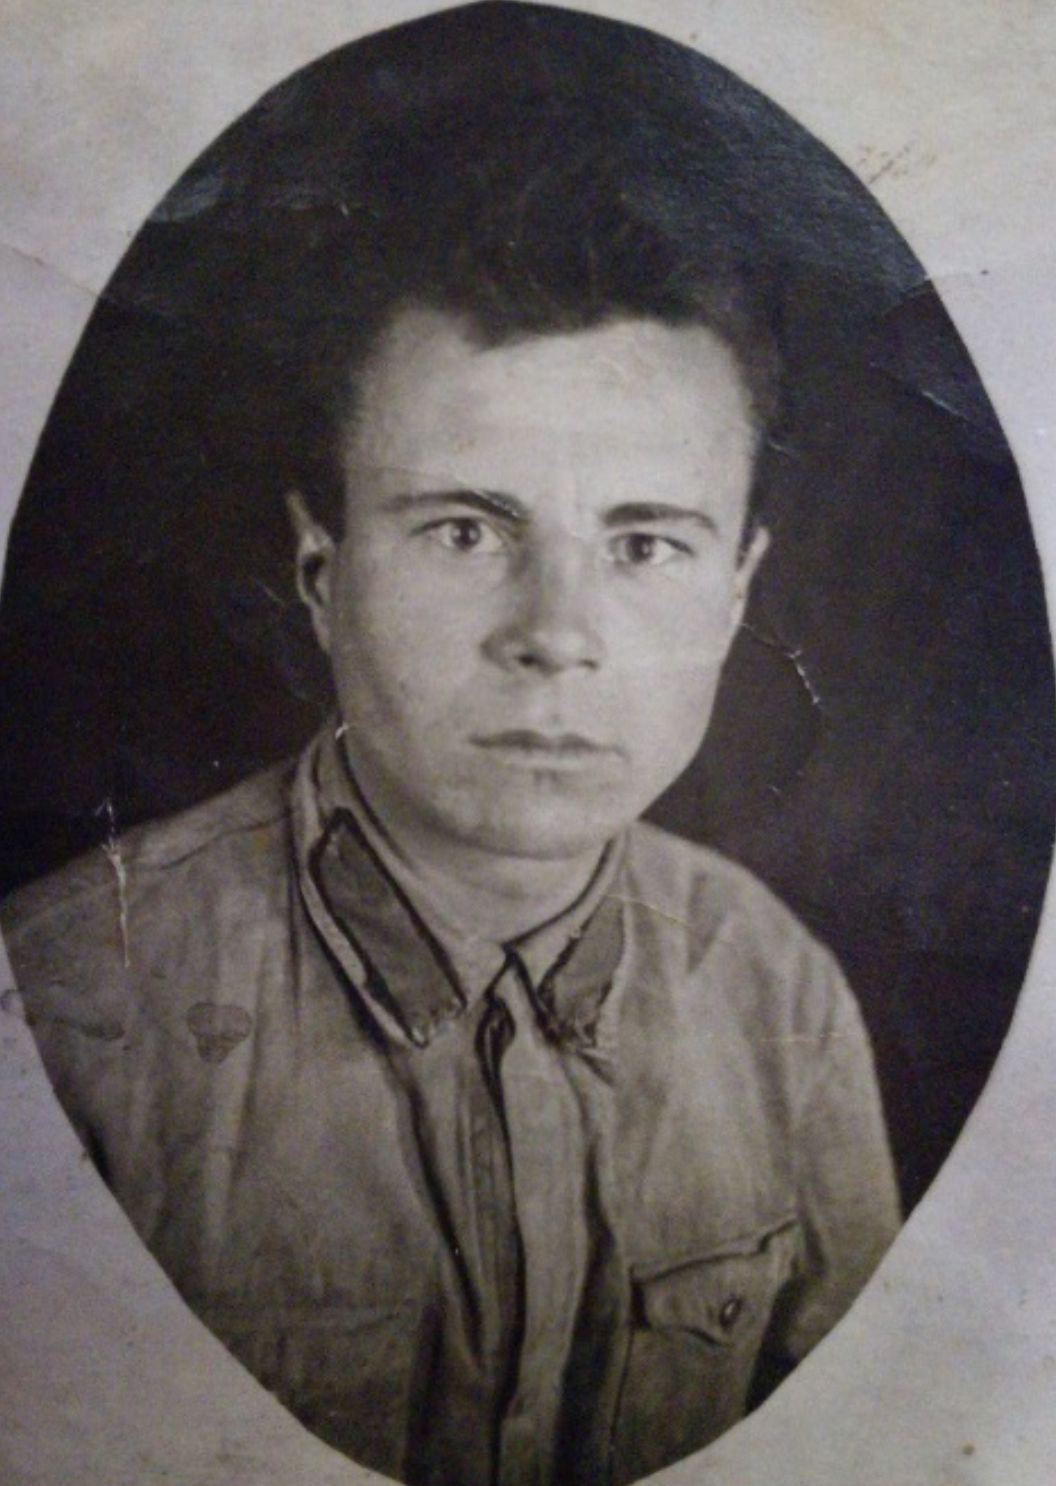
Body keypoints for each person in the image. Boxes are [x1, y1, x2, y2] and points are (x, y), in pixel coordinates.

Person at [0, 8, 900, 1484]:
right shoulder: (62, 1014)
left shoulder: (782, 998)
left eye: (645, 544)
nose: (556, 634)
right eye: (467, 530)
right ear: (321, 569)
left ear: (738, 593)